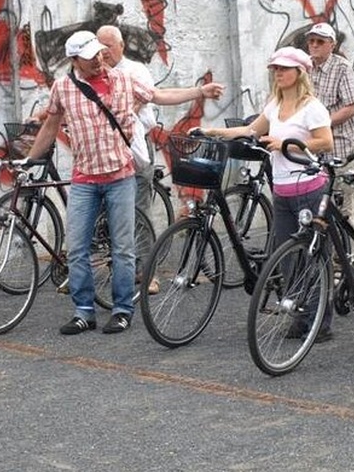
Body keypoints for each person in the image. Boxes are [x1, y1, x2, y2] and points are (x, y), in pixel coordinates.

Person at [26, 30, 223, 335]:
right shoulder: (63, 88)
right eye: (90, 56)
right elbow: (50, 127)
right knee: (77, 247)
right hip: (84, 179)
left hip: (120, 176)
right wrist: (29, 162)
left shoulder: (122, 79)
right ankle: (84, 311)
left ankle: (121, 310)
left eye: (100, 53)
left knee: (122, 248)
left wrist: (200, 92)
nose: (98, 60)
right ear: (74, 60)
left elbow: (159, 96)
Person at [192, 46, 335, 341]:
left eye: (284, 69)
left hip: (309, 188)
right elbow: (250, 131)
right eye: (275, 69)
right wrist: (212, 132)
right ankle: (300, 315)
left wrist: (286, 143)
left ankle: (319, 321)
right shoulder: (274, 105)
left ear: (300, 73)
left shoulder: (312, 107)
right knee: (286, 258)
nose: (278, 73)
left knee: (312, 257)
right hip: (282, 191)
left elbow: (325, 142)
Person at [96, 24, 160, 295]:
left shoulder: (135, 71)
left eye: (109, 46)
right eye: (100, 46)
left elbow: (141, 101)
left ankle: (148, 274)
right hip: (107, 148)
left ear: (121, 46)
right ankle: (120, 269)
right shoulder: (94, 73)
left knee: (138, 211)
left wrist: (117, 117)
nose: (104, 51)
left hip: (135, 145)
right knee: (108, 211)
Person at [305, 23, 354, 220]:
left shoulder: (341, 67)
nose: (314, 45)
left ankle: (348, 251)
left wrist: (324, 124)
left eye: (320, 41)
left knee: (343, 212)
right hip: (313, 150)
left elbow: (352, 106)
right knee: (314, 210)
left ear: (332, 45)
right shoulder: (305, 68)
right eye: (311, 41)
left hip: (338, 148)